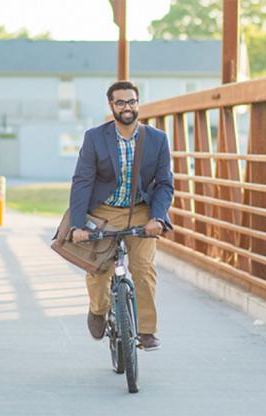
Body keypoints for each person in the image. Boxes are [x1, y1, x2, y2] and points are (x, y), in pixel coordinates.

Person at [68, 81, 173, 351]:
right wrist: (78, 226)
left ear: (138, 103)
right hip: (104, 210)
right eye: (121, 102)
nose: (127, 107)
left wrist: (158, 218)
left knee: (143, 268)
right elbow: (82, 181)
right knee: (99, 269)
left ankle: (146, 331)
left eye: (132, 101)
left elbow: (164, 183)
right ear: (111, 106)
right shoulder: (95, 138)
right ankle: (98, 309)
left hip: (140, 210)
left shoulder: (157, 139)